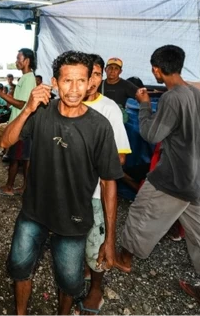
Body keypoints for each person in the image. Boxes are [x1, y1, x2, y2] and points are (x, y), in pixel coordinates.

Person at [2, 50, 123, 316]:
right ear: (55, 82)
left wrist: (110, 239)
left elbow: (108, 182)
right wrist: (27, 109)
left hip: (74, 219)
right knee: (19, 267)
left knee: (69, 282)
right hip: (34, 212)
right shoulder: (41, 113)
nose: (74, 89)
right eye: (67, 81)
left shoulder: (99, 126)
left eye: (82, 80)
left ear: (91, 81)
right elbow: (5, 141)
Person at [115, 45, 200, 316]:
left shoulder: (171, 98)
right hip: (198, 178)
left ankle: (124, 259)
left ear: (156, 69)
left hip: (174, 177)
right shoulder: (198, 95)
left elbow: (152, 134)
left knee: (142, 213)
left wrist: (143, 106)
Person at [77, 54, 132, 316]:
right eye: (91, 73)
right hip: (70, 189)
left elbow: (120, 156)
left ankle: (96, 288)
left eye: (99, 74)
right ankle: (84, 269)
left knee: (97, 239)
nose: (93, 79)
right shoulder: (66, 104)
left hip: (97, 191)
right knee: (75, 235)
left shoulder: (109, 108)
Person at [0, 48, 38, 196]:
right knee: (22, 158)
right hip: (20, 123)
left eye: (19, 59)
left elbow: (20, 104)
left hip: (22, 125)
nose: (16, 62)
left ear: (27, 61)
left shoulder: (29, 78)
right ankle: (24, 187)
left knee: (16, 158)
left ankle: (10, 187)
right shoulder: (25, 78)